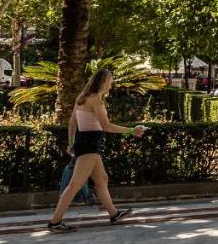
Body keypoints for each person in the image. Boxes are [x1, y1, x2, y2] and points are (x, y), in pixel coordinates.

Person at [47, 68, 148, 232]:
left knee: (102, 180)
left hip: (84, 143)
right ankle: (55, 222)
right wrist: (132, 131)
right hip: (90, 146)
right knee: (74, 185)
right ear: (103, 82)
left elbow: (72, 123)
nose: (112, 83)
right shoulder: (96, 100)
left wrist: (72, 143)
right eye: (110, 80)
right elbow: (106, 126)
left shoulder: (82, 97)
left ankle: (114, 214)